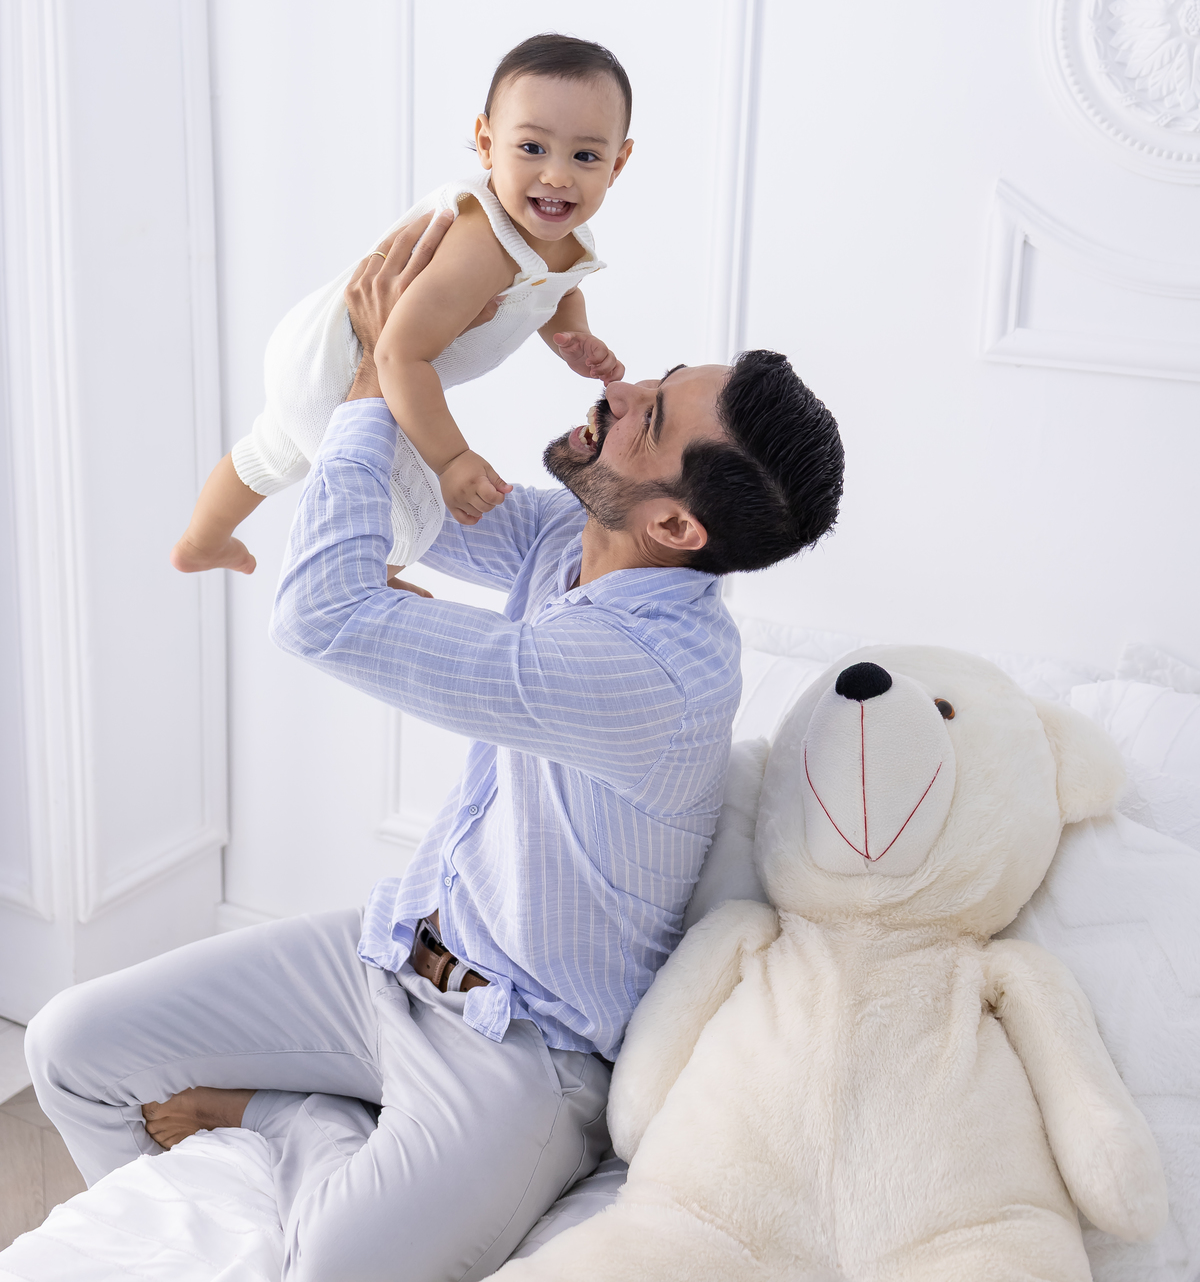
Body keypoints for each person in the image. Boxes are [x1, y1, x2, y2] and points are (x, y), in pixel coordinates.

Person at [26, 211, 845, 1282]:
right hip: (395, 956)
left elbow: (318, 612)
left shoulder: (650, 672)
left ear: (680, 530)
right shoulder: (576, 534)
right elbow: (402, 501)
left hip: (523, 1052)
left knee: (334, 1269)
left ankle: (290, 1119)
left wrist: (377, 390)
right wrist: (390, 339)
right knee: (71, 1048)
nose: (619, 392)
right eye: (658, 379)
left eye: (648, 420)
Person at [170, 31, 634, 578]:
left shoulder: (558, 234)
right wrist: (451, 460)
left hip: (313, 349)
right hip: (344, 371)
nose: (556, 175)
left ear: (617, 164)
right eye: (531, 148)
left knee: (274, 449)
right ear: (486, 143)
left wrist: (573, 337)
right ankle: (367, 584)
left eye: (585, 155)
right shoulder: (482, 246)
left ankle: (202, 540)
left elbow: (558, 287)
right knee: (411, 512)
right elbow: (397, 357)